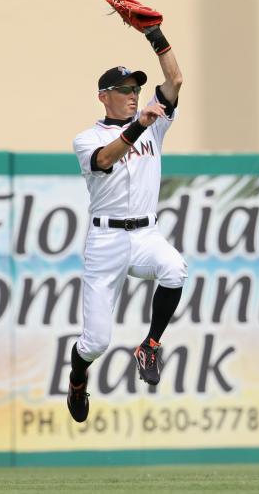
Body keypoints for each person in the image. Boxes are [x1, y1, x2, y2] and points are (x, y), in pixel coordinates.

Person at [68, 22, 188, 422]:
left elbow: (175, 79)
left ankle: (150, 344)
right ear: (104, 97)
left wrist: (156, 34)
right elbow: (105, 159)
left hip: (146, 233)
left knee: (174, 268)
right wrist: (141, 124)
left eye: (136, 89)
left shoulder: (154, 122)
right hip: (105, 240)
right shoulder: (87, 138)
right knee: (95, 342)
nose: (134, 96)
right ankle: (78, 377)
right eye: (124, 91)